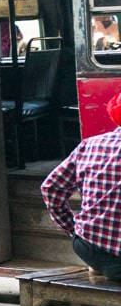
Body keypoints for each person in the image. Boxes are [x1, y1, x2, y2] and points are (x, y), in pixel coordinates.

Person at [41, 92, 121, 282]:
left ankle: (101, 267)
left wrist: (75, 230)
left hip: (92, 248)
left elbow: (50, 188)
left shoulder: (89, 145)